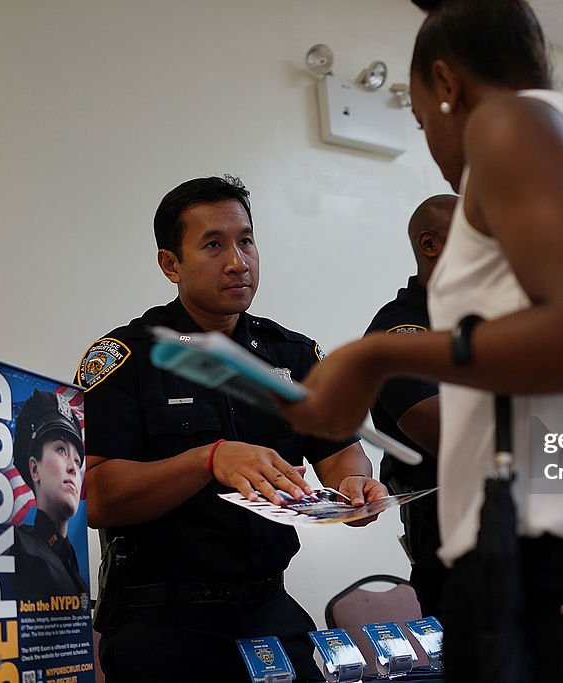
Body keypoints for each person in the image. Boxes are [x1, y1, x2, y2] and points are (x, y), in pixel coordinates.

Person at [280, 1, 563, 680]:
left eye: (420, 123)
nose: (436, 155)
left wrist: (375, 355)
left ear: (447, 85)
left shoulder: (509, 121)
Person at [79, 175, 389, 683]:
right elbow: (96, 497)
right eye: (213, 244)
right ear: (170, 264)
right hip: (164, 623)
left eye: (246, 240)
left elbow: (340, 453)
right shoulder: (125, 358)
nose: (237, 261)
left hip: (268, 609)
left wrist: (354, 484)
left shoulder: (292, 355)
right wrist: (207, 459)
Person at [364, 194, 456, 619]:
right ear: (430, 244)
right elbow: (450, 433)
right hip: (456, 547)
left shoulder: (494, 323)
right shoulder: (401, 328)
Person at [11, 389, 89, 601]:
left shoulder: (70, 559)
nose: (73, 468)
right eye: (61, 450)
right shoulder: (17, 548)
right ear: (34, 469)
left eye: (77, 460)